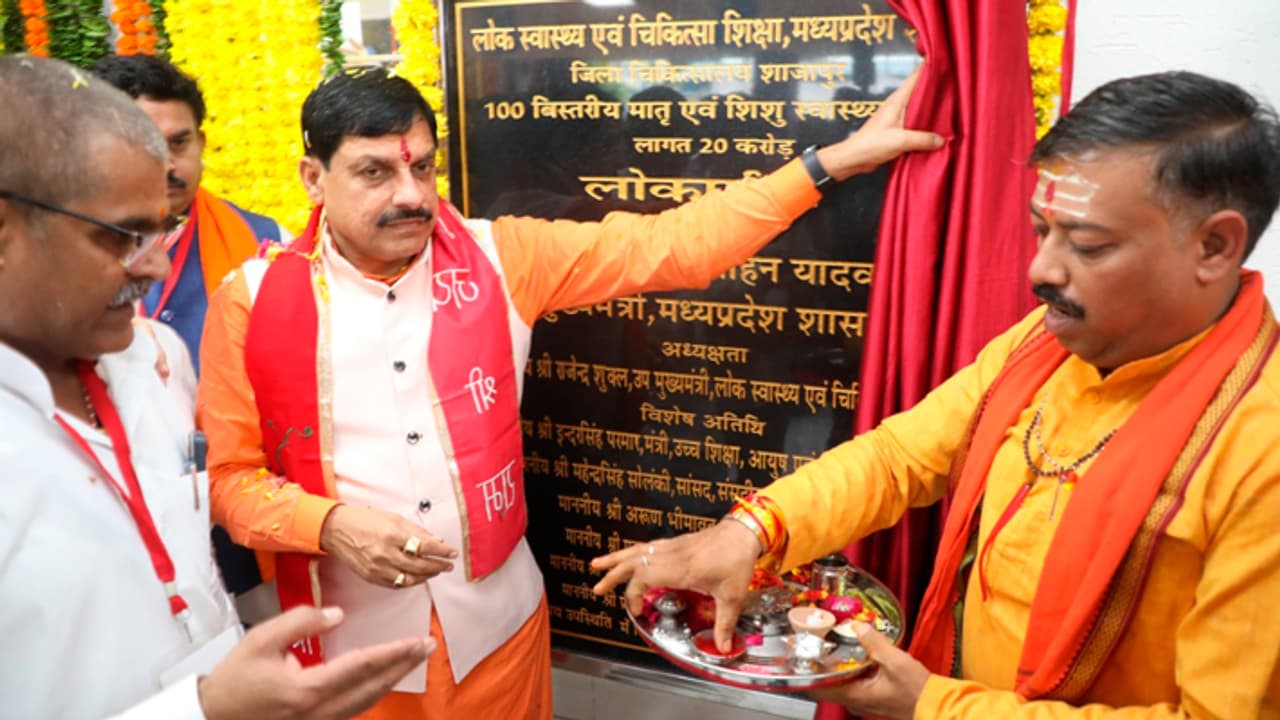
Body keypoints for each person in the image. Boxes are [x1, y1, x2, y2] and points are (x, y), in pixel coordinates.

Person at [195, 67, 943, 719]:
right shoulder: (252, 302)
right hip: (346, 653)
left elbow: (672, 245)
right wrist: (328, 525)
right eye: (374, 174)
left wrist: (832, 163)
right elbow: (228, 484)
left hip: (498, 637)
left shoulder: (500, 257)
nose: (411, 195)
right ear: (311, 178)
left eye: (423, 169)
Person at [591, 70, 1280, 719]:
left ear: (1215, 247)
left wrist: (933, 705)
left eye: (1089, 246)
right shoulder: (1042, 346)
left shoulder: (1262, 449)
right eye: (1042, 231)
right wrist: (749, 531)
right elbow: (900, 456)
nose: (1040, 268)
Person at [0, 55, 432, 719]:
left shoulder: (158, 361)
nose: (160, 262)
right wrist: (203, 710)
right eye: (121, 236)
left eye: (162, 229)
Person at [92, 53, 290, 611]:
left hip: (240, 534)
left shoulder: (267, 242)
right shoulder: (55, 259)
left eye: (179, 143)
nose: (167, 165)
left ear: (202, 142)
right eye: (143, 146)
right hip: (117, 536)